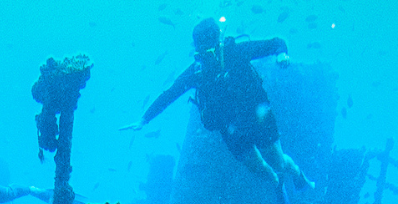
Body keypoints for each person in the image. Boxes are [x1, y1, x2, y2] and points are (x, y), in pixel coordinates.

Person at [124, 18, 311, 192]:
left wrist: (282, 54)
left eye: (209, 50)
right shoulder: (197, 71)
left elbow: (276, 42)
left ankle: (297, 174)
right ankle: (277, 185)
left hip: (257, 115)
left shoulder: (235, 52)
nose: (206, 57)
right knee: (256, 167)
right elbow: (170, 94)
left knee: (278, 162)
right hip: (230, 126)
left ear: (218, 42)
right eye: (201, 52)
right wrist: (144, 119)